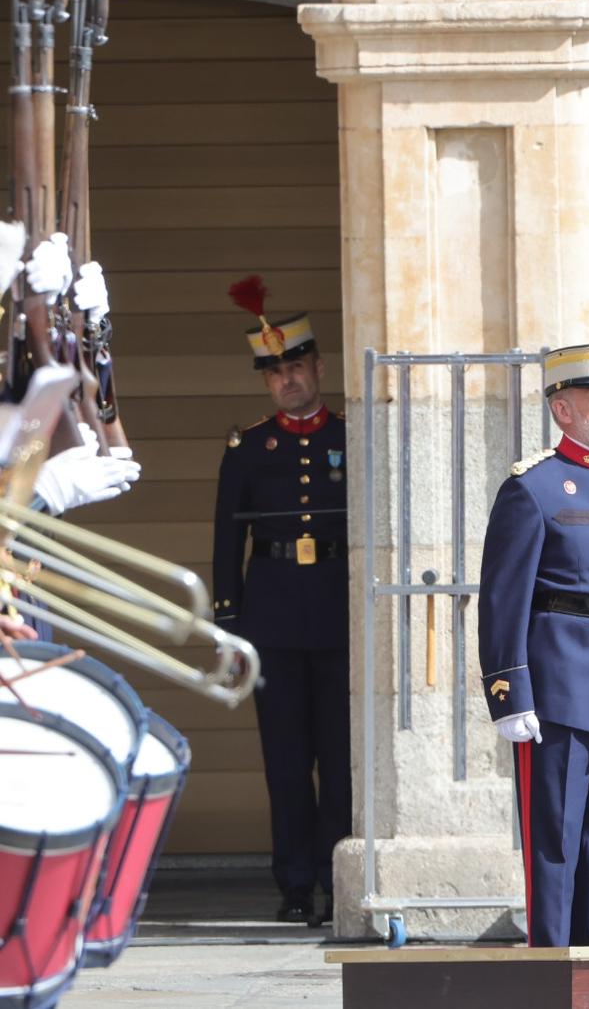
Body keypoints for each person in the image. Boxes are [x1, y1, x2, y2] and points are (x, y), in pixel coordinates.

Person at [478, 271, 589, 947]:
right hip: (556, 686)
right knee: (555, 834)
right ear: (563, 409)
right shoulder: (534, 489)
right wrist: (508, 692)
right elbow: (503, 599)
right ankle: (553, 960)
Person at [212, 276, 349, 927]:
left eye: (296, 368)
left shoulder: (347, 440)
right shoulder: (245, 450)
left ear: (317, 367)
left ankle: (335, 878)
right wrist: (229, 624)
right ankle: (295, 884)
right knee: (287, 764)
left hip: (336, 617)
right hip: (270, 618)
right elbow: (226, 540)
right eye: (276, 374)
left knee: (340, 763)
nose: (288, 381)